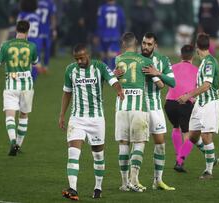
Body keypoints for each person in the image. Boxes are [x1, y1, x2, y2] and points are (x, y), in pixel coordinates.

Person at [59, 44, 123, 200]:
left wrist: (119, 90)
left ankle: (98, 187)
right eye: (76, 59)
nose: (79, 61)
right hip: (77, 118)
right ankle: (73, 189)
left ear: (88, 54)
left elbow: (112, 79)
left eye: (81, 57)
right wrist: (62, 115)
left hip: (96, 119)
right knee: (73, 153)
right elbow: (67, 93)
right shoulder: (70, 70)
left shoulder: (99, 66)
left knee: (98, 155)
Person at [114, 32, 164, 192]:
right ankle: (134, 180)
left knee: (123, 143)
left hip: (121, 107)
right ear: (136, 45)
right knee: (139, 143)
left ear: (123, 45)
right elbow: (161, 85)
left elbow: (113, 78)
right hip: (138, 107)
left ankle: (124, 183)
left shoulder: (118, 59)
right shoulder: (145, 61)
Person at [0, 20, 38, 156]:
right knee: (24, 115)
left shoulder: (6, 45)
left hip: (11, 83)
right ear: (28, 31)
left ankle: (12, 141)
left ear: (16, 30)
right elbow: (34, 63)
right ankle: (18, 145)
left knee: (10, 115)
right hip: (27, 85)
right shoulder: (32, 46)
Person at [177, 33, 219, 180]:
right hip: (199, 104)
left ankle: (209, 171)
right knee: (193, 136)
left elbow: (207, 85)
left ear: (197, 48)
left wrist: (188, 95)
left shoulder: (209, 62)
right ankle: (212, 157)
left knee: (206, 136)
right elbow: (214, 83)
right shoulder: (204, 62)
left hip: (209, 104)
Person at [140, 32, 176, 190]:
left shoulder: (162, 60)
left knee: (160, 143)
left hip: (155, 107)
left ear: (155, 45)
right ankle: (130, 181)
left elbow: (173, 82)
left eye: (149, 44)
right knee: (137, 144)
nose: (145, 47)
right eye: (144, 43)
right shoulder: (135, 59)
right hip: (138, 106)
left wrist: (158, 73)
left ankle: (157, 180)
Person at [164, 45, 198, 171]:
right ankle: (180, 161)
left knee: (175, 126)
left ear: (180, 55)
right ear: (193, 57)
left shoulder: (172, 68)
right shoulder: (196, 70)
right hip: (185, 103)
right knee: (189, 135)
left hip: (169, 104)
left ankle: (178, 157)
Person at [96, 0, 126, 69]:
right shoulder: (119, 9)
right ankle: (113, 73)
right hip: (115, 35)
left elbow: (99, 23)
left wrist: (97, 34)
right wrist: (123, 34)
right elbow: (123, 24)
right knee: (114, 55)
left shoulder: (102, 8)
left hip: (104, 35)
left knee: (104, 55)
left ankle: (105, 72)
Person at [17, 0, 43, 81]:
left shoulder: (22, 15)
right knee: (35, 63)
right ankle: (32, 80)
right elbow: (40, 30)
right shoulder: (37, 16)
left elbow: (18, 29)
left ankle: (23, 80)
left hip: (25, 42)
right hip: (36, 42)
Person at [37, 0, 57, 72]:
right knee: (47, 48)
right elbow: (53, 17)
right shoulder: (50, 3)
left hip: (37, 28)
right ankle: (45, 66)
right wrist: (54, 30)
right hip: (46, 29)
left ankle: (38, 65)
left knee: (37, 48)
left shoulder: (36, 2)